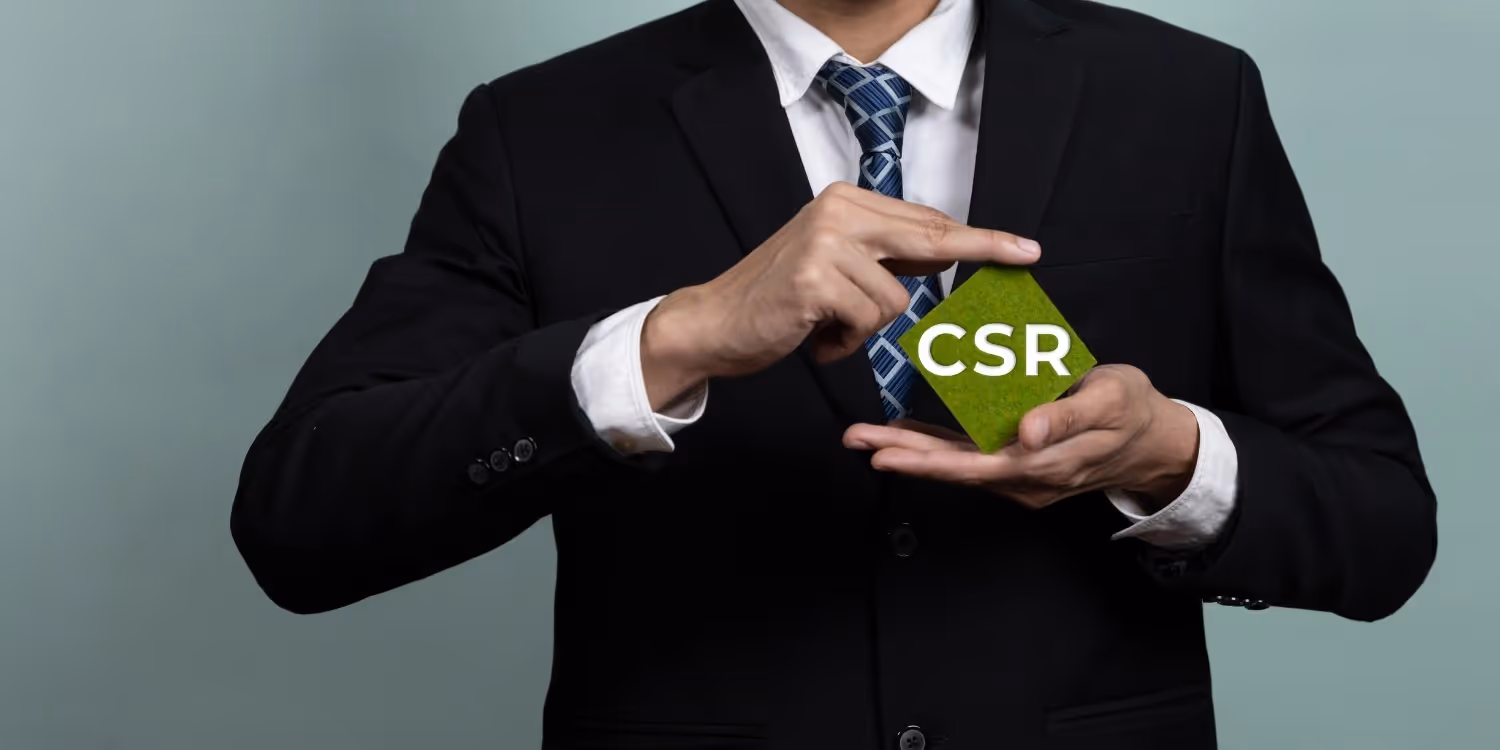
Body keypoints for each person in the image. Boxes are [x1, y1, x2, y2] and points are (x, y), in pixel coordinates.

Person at [230, 0, 1437, 746]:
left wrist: (1173, 460)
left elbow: (1382, 523)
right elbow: (302, 524)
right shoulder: (541, 130)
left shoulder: (1187, 99)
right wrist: (672, 341)